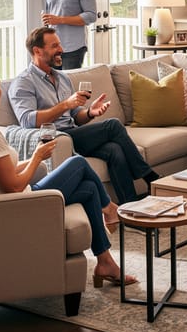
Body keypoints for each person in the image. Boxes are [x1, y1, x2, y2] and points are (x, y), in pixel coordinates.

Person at [0, 63, 135, 287]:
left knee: (90, 189)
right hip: (22, 205)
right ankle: (111, 209)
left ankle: (105, 262)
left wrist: (33, 160)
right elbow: (14, 187)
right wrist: (37, 157)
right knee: (78, 162)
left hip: (16, 200)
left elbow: (0, 173)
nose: (1, 90)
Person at [9, 27, 159, 203]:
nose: (61, 50)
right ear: (37, 51)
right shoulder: (23, 82)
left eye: (60, 44)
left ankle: (130, 207)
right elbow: (28, 120)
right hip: (59, 138)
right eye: (55, 45)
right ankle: (150, 177)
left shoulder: (62, 78)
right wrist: (66, 104)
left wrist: (89, 113)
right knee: (113, 125)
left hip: (74, 134)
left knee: (114, 150)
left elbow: (75, 115)